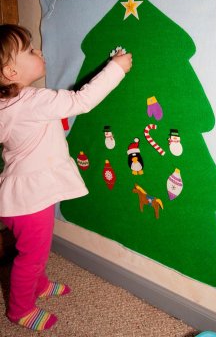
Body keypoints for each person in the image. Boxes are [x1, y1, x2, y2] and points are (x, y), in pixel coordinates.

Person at [0, 24, 132, 331]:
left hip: (20, 196)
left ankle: (40, 283)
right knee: (31, 255)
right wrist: (116, 68)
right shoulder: (34, 101)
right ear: (10, 72)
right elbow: (81, 101)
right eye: (30, 50)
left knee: (36, 248)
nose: (39, 52)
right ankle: (19, 309)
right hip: (29, 200)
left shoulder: (9, 105)